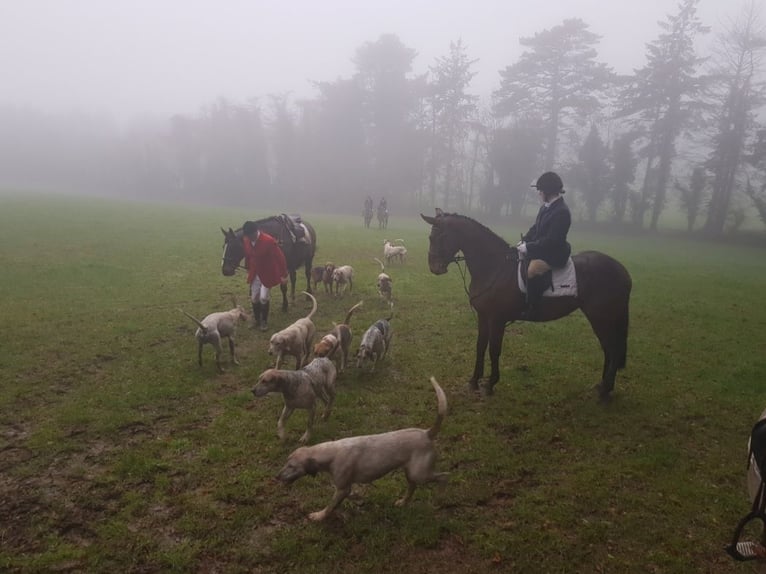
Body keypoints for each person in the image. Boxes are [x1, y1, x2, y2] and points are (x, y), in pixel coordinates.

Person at [516, 171, 571, 321]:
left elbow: (552, 241)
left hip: (554, 253)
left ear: (547, 192)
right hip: (543, 248)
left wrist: (529, 248)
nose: (539, 193)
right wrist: (525, 241)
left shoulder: (562, 212)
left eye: (540, 190)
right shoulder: (546, 207)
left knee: (533, 269)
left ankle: (533, 307)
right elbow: (536, 228)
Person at [242, 220, 289, 331]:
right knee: (254, 298)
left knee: (263, 298)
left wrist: (283, 274)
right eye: (248, 236)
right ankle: (256, 320)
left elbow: (280, 257)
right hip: (255, 273)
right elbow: (248, 256)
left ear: (255, 232)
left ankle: (264, 321)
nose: (250, 238)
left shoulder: (268, 241)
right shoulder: (247, 240)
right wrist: (248, 267)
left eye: (251, 236)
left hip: (267, 273)